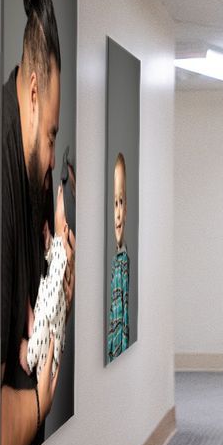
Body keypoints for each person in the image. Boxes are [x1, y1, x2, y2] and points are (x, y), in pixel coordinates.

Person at [0, 0, 71, 445]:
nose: (51, 158)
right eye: (50, 136)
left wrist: (60, 268)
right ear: (30, 92)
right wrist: (40, 402)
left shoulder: (34, 179)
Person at [107, 152, 131, 361]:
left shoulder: (125, 266)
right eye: (114, 203)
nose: (117, 214)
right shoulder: (115, 265)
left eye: (121, 202)